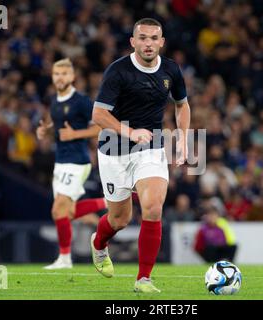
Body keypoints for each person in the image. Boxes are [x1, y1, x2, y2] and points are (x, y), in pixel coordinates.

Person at [90, 18, 191, 293]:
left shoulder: (171, 70)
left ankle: (143, 279)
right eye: (143, 38)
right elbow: (98, 114)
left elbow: (182, 105)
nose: (148, 43)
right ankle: (99, 244)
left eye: (153, 38)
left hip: (151, 148)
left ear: (162, 42)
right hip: (114, 150)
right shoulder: (118, 71)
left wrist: (182, 137)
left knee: (153, 207)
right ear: (133, 42)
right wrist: (130, 132)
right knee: (119, 219)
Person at [36, 58, 107, 270]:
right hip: (61, 162)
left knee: (59, 209)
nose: (60, 77)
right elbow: (55, 124)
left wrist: (75, 133)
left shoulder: (81, 101)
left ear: (72, 77)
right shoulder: (55, 100)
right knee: (63, 212)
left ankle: (65, 259)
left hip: (77, 162)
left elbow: (102, 127)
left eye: (64, 74)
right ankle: (108, 202)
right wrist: (45, 130)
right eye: (56, 73)